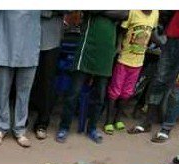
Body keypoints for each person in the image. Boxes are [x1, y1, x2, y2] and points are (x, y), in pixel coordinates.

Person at [56, 11, 129, 144]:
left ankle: (92, 128)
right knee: (73, 93)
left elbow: (125, 14)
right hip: (87, 49)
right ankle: (64, 127)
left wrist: (103, 11)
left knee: (100, 95)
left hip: (106, 51)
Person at [0, 10, 42, 148]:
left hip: (28, 45)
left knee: (24, 92)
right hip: (3, 43)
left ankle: (20, 129)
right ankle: (1, 128)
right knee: (2, 90)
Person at [105, 11, 160, 135]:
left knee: (127, 92)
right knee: (115, 91)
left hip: (138, 62)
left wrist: (163, 44)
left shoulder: (155, 14)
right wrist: (118, 47)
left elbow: (152, 34)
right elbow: (122, 31)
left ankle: (117, 119)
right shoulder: (133, 12)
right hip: (123, 60)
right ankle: (108, 121)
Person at [130, 11, 179, 141]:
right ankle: (147, 122)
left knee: (176, 88)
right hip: (172, 37)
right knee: (159, 80)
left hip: (172, 38)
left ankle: (166, 128)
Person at [32, 12, 65, 140]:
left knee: (47, 81)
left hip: (51, 39)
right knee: (25, 81)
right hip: (27, 36)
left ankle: (42, 123)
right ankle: (21, 122)